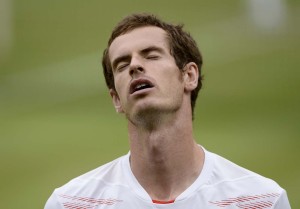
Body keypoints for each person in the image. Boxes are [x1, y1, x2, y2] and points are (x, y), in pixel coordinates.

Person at [45, 13, 291, 209]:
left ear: (189, 76)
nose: (134, 66)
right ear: (116, 99)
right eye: (122, 64)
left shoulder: (261, 200)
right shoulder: (71, 203)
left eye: (151, 55)